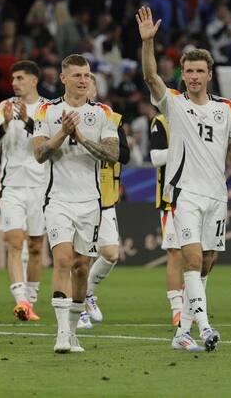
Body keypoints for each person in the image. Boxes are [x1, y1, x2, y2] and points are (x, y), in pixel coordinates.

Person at [137, 6, 231, 352]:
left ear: (209, 74)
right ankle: (206, 327)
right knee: (192, 259)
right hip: (184, 194)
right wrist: (148, 43)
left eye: (199, 71)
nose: (194, 76)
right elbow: (151, 77)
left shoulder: (225, 108)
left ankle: (183, 330)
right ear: (182, 74)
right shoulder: (174, 104)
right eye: (188, 71)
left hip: (216, 195)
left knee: (207, 261)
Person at [32, 54, 119, 354]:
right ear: (63, 78)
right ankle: (60, 334)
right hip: (57, 200)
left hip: (91, 203)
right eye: (77, 75)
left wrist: (79, 137)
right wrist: (61, 134)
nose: (83, 80)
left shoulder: (103, 113)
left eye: (87, 75)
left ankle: (72, 331)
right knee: (63, 261)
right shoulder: (47, 110)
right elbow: (39, 153)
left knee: (82, 268)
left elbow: (112, 155)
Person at [0, 60, 47, 322]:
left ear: (34, 80)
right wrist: (5, 123)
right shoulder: (4, 106)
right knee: (14, 241)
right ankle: (21, 300)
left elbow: (48, 145)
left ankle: (31, 302)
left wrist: (27, 121)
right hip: (12, 186)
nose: (15, 83)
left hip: (41, 186)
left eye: (20, 78)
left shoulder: (48, 108)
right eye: (13, 78)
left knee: (35, 246)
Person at [76, 79, 131, 330]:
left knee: (110, 254)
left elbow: (126, 155)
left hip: (105, 198)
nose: (84, 88)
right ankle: (78, 310)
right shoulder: (66, 117)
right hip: (76, 196)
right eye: (80, 83)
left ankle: (87, 292)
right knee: (80, 256)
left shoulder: (110, 118)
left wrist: (100, 145)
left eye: (89, 85)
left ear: (95, 91)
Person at [149, 111, 185, 326]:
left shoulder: (204, 117)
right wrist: (185, 148)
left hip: (200, 194)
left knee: (200, 255)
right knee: (175, 253)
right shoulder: (162, 121)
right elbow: (155, 158)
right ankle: (177, 309)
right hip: (171, 199)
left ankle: (193, 304)